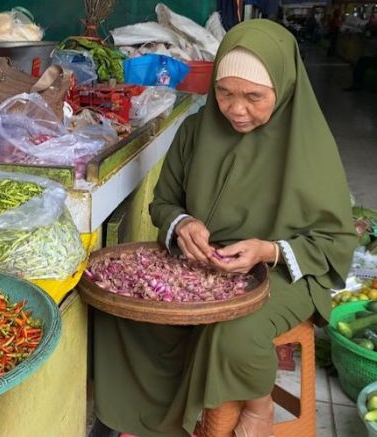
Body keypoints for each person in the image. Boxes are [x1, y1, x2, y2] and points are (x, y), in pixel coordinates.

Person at [92, 19, 357, 437]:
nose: (236, 109)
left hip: (283, 272)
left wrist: (267, 251)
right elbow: (164, 202)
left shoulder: (308, 149)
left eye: (254, 97)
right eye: (224, 92)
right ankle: (146, 419)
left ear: (284, 90)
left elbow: (335, 242)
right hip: (201, 263)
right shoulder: (196, 130)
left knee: (232, 331)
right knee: (128, 307)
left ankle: (257, 407)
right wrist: (183, 225)